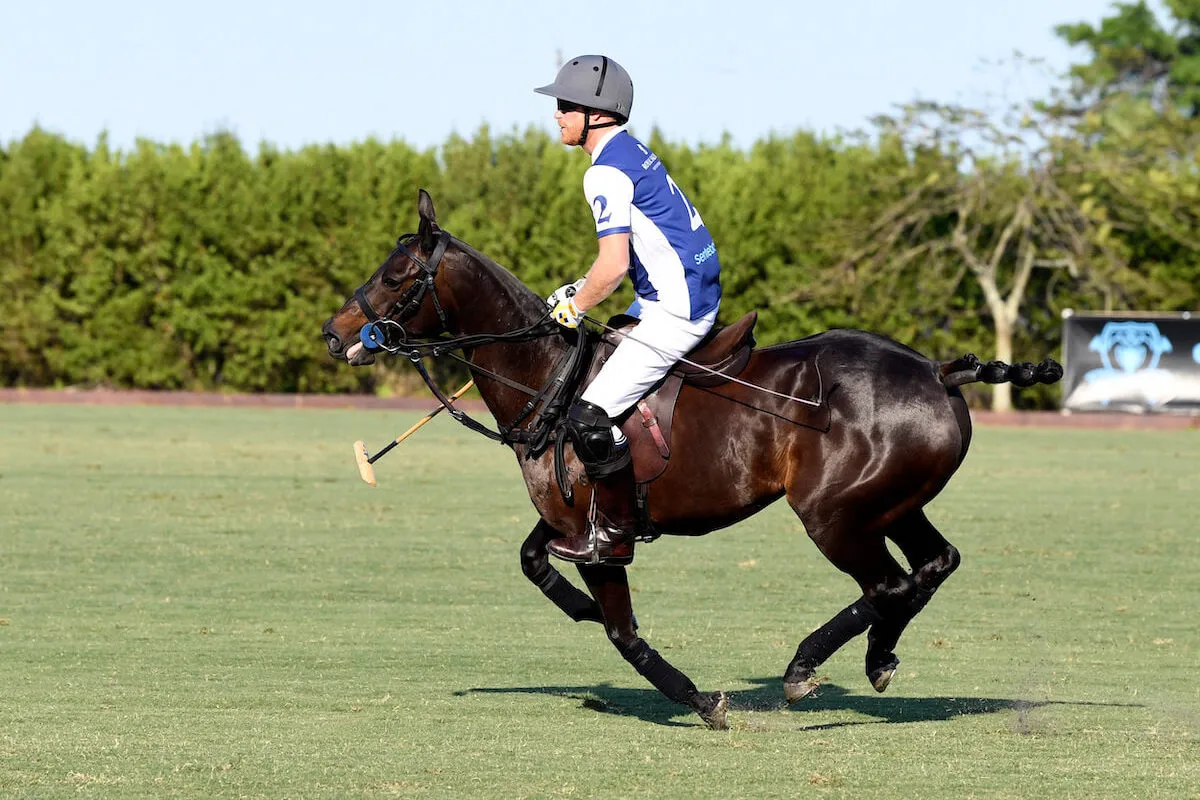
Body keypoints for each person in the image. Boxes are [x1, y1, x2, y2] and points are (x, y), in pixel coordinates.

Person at [534, 55, 723, 566]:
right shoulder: (631, 153)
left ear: (595, 113)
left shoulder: (604, 175)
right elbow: (637, 253)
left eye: (565, 106)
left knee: (588, 415)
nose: (556, 115)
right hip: (681, 291)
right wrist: (578, 289)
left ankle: (613, 534)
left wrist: (574, 304)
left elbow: (613, 266)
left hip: (678, 309)